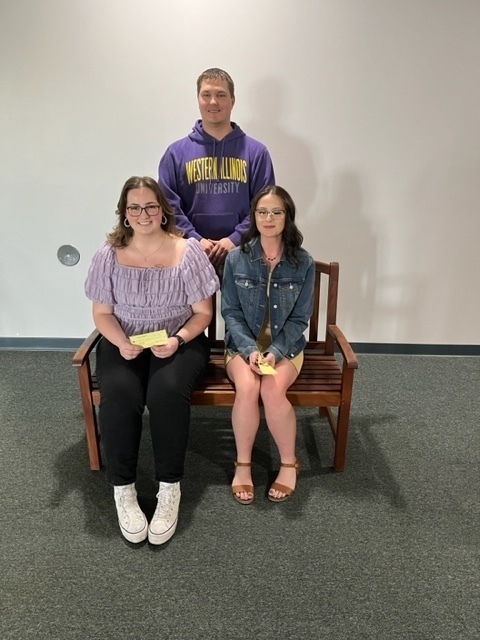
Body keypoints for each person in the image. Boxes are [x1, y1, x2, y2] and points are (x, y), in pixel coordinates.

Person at [84, 176, 219, 545]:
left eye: (150, 206)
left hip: (179, 339)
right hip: (123, 339)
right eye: (134, 207)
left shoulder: (187, 251)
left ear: (163, 211)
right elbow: (102, 314)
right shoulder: (108, 254)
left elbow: (203, 313)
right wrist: (120, 342)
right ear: (124, 213)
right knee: (119, 394)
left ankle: (169, 488)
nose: (142, 214)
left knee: (167, 392)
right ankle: (124, 489)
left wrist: (178, 340)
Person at [221, 185, 315, 504]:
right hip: (241, 346)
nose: (268, 218)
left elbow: (299, 319)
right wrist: (250, 351)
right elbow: (231, 313)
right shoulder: (237, 258)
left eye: (276, 212)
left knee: (272, 389)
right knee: (249, 387)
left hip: (286, 348)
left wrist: (274, 352)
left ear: (288, 216)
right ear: (254, 216)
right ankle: (243, 465)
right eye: (262, 212)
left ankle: (288, 464)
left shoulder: (303, 262)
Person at [158, 67, 275, 269]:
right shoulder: (175, 153)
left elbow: (266, 206)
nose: (213, 102)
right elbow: (167, 206)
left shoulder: (257, 153)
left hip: (244, 257)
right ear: (198, 99)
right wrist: (194, 239)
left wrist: (235, 239)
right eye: (206, 95)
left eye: (221, 95)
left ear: (232, 100)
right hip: (189, 256)